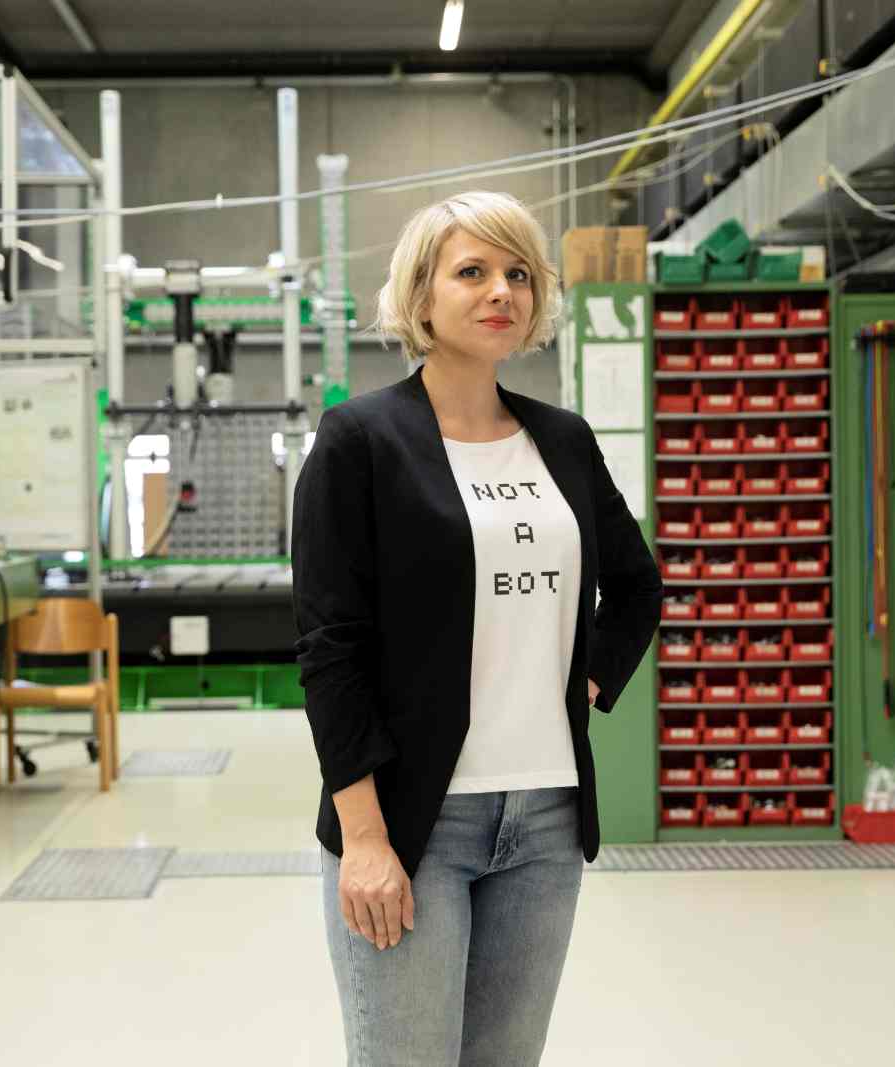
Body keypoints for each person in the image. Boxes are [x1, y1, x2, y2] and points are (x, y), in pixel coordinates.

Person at [291, 190, 662, 1066]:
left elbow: (637, 585)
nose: (503, 290)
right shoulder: (359, 441)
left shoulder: (563, 441)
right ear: (421, 298)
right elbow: (329, 647)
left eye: (519, 275)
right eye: (473, 272)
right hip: (416, 821)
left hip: (546, 820)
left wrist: (588, 681)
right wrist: (366, 839)